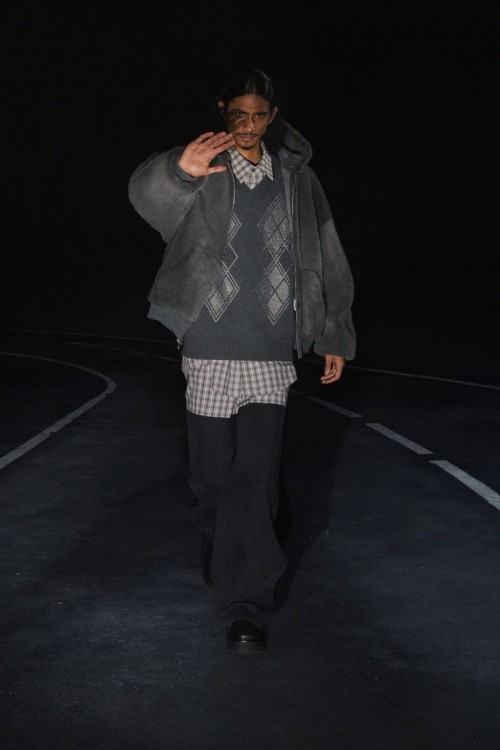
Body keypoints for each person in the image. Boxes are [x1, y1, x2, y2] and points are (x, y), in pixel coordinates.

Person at [128, 68, 356, 652]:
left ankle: (244, 608)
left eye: (258, 116)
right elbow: (147, 195)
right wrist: (179, 172)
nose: (248, 126)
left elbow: (329, 255)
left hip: (272, 351)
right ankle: (222, 539)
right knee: (212, 481)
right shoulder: (206, 167)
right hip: (208, 345)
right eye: (238, 115)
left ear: (272, 116)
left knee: (254, 482)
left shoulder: (297, 180)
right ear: (222, 111)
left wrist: (334, 330)